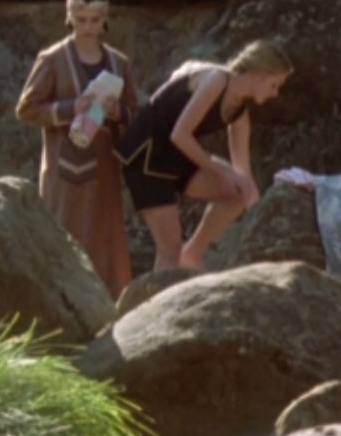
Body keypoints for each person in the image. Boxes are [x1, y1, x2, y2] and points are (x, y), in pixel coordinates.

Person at [113, 39, 293, 271]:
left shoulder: (240, 113)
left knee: (238, 191)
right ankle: (160, 291)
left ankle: (193, 253)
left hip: (178, 155)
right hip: (146, 153)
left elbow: (244, 178)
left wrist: (258, 212)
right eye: (274, 85)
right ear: (258, 74)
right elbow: (180, 134)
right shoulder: (217, 79)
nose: (275, 93)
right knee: (169, 250)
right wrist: (220, 172)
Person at [15, 0, 141, 299]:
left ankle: (106, 315)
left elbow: (134, 114)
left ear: (105, 20)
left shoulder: (119, 63)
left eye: (95, 21)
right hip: (64, 174)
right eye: (81, 20)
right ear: (69, 17)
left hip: (104, 173)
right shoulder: (52, 59)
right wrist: (71, 108)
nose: (88, 28)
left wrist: (117, 113)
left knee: (105, 246)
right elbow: (27, 109)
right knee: (61, 245)